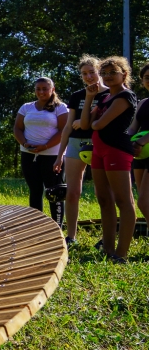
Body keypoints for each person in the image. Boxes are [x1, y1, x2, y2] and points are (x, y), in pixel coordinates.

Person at [80, 55, 137, 263]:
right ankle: (108, 249)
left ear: (124, 74)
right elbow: (86, 123)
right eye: (104, 73)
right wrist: (88, 98)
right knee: (104, 200)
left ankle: (121, 254)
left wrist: (94, 121)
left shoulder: (126, 96)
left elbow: (98, 124)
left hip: (116, 150)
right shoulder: (104, 98)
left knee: (124, 200)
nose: (108, 76)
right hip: (98, 151)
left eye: (113, 72)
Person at [54, 56, 109, 246]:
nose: (89, 77)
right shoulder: (77, 95)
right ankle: (71, 237)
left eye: (92, 72)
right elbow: (68, 127)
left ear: (100, 72)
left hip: (100, 144)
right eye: (84, 74)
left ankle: (106, 237)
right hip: (76, 145)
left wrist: (87, 122)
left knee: (102, 193)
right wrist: (59, 155)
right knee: (72, 192)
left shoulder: (111, 94)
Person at [14, 77, 67, 217]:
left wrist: (45, 146)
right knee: (35, 190)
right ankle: (37, 224)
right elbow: (17, 128)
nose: (41, 92)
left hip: (52, 155)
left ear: (52, 90)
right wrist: (25, 143)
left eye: (45, 89)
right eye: (38, 89)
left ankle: (57, 226)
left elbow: (64, 131)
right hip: (29, 154)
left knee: (54, 191)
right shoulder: (26, 107)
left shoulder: (60, 108)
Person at [127, 61, 149, 224]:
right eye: (147, 77)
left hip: (142, 147)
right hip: (140, 155)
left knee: (143, 203)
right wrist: (126, 142)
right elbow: (132, 128)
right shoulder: (142, 103)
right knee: (145, 201)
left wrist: (141, 142)